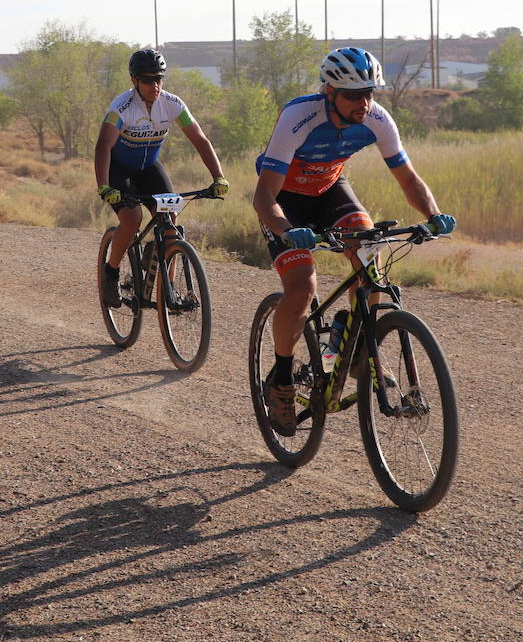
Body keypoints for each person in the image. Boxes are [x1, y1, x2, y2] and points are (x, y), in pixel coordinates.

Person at [252, 47, 455, 436]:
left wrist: (432, 215)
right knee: (302, 286)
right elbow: (264, 198)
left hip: (330, 190)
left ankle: (362, 347)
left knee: (371, 260)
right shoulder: (299, 116)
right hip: (285, 201)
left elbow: (408, 178)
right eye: (354, 95)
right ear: (330, 92)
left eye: (370, 93)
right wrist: (283, 230)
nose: (364, 103)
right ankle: (280, 377)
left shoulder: (377, 118)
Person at [94, 48, 228, 302]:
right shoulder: (122, 107)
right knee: (132, 218)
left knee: (171, 215)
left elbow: (200, 140)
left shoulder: (172, 104)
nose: (154, 85)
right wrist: (103, 186)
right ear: (134, 81)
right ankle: (110, 272)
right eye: (147, 80)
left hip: (149, 168)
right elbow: (103, 147)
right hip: (119, 169)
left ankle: (169, 288)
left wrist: (218, 177)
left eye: (159, 79)